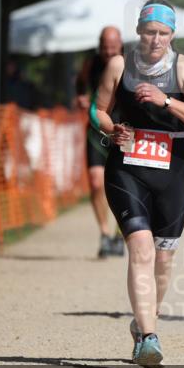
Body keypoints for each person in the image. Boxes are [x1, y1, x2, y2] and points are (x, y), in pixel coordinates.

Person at [93, 0, 184, 368]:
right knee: (141, 249)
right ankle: (149, 337)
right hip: (127, 167)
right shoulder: (119, 65)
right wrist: (111, 129)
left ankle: (144, 320)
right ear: (138, 32)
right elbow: (97, 109)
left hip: (173, 171)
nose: (156, 39)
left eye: (163, 33)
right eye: (149, 32)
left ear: (172, 34)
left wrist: (167, 102)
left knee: (163, 259)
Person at [76, 27, 125, 258]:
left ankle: (120, 234)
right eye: (105, 47)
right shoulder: (91, 63)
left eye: (113, 47)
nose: (109, 51)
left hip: (123, 129)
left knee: (124, 184)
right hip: (97, 130)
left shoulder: (129, 63)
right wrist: (81, 98)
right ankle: (104, 233)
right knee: (96, 182)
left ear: (120, 44)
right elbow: (80, 83)